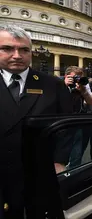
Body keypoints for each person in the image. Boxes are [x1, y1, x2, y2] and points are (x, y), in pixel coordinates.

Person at [0, 25, 73, 218]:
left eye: (24, 50)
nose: (17, 55)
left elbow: (66, 125)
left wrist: (60, 161)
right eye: (7, 49)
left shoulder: (52, 84)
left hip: (40, 174)